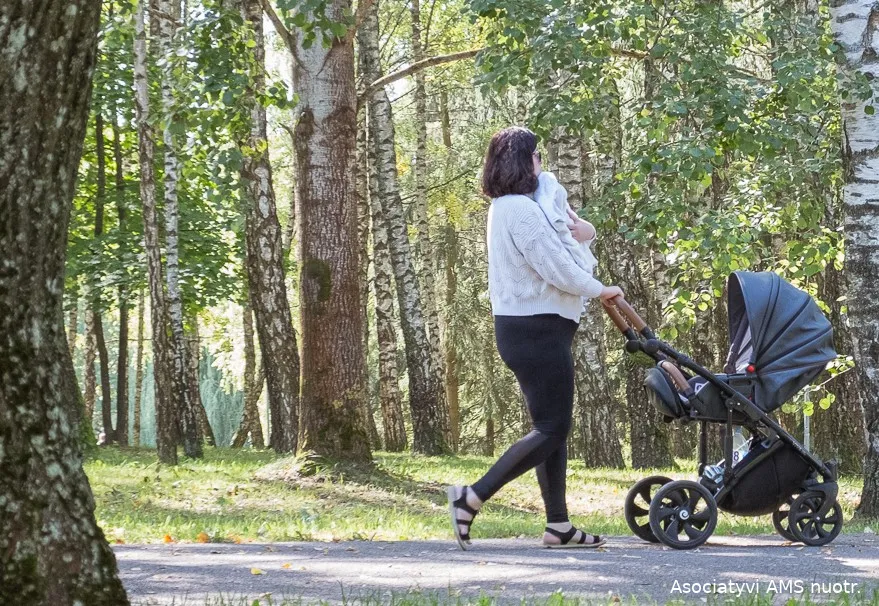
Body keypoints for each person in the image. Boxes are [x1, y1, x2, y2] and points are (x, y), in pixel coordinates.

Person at [446, 126, 623, 550]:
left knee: (549, 429)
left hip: (530, 329)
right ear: (524, 161)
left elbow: (563, 242)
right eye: (536, 155)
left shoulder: (509, 208)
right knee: (552, 428)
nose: (541, 162)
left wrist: (587, 233)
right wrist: (600, 289)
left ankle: (558, 525)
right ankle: (472, 497)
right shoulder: (519, 211)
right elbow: (556, 266)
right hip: (537, 330)